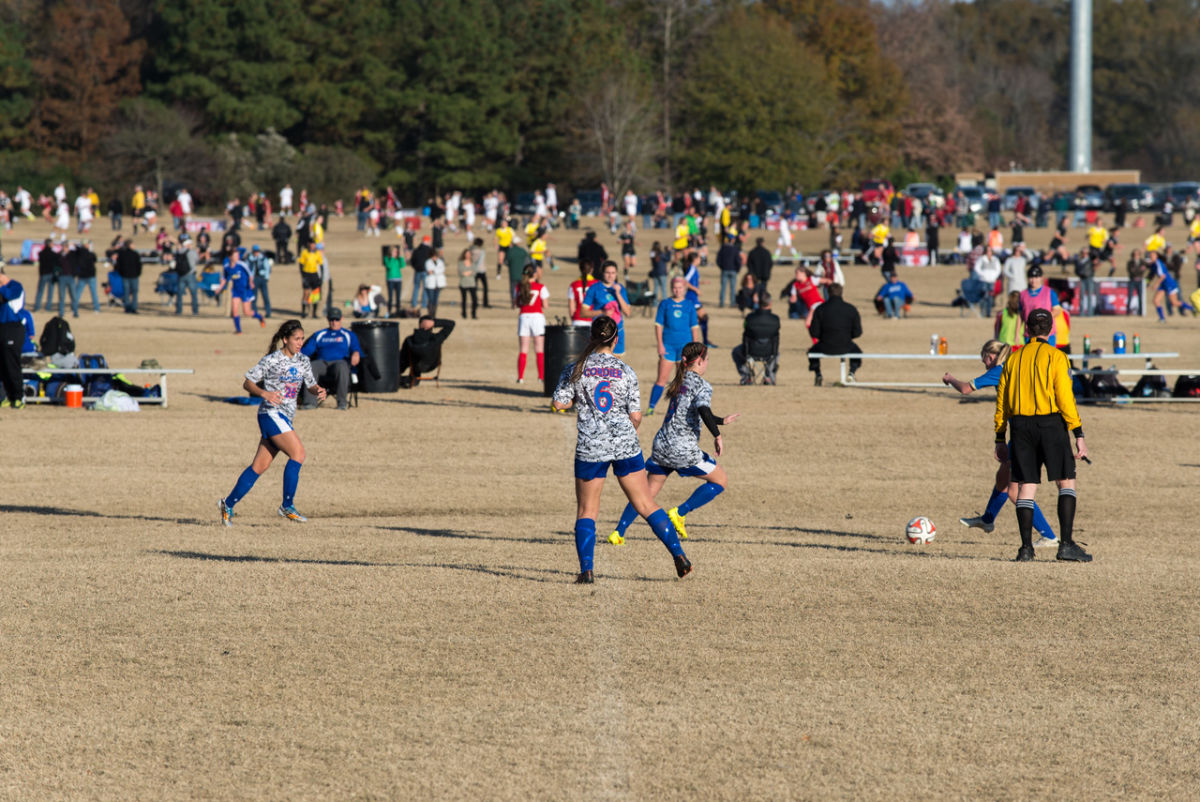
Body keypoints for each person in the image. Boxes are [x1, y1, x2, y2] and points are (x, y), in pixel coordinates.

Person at [551, 316, 692, 583]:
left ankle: (587, 571)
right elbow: (636, 415)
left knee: (587, 511)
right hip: (625, 443)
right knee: (646, 504)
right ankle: (679, 556)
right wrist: (628, 427)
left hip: (591, 446)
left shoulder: (575, 368)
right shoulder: (626, 371)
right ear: (616, 340)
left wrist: (573, 401)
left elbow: (559, 403)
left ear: (591, 337)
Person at [608, 342, 740, 545]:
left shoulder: (681, 379)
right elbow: (703, 410)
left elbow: (696, 411)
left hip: (662, 445)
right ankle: (680, 512)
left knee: (645, 494)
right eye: (707, 360)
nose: (707, 365)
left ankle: (619, 532)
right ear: (699, 361)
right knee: (720, 480)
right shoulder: (703, 385)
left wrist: (721, 420)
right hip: (682, 449)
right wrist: (717, 434)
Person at [993, 308, 1091, 562]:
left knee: (1027, 487)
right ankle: (1066, 545)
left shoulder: (1013, 360)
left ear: (1027, 330)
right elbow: (1065, 398)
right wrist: (1078, 432)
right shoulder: (1057, 357)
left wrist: (1000, 438)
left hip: (1021, 426)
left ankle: (1026, 549)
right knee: (1066, 482)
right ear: (1051, 330)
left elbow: (1002, 401)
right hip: (1051, 424)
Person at [943, 340, 1058, 548]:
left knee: (1015, 491)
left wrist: (950, 379)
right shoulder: (1018, 364)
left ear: (991, 356)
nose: (983, 363)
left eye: (983, 358)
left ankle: (1049, 536)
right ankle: (987, 520)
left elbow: (966, 389)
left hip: (1024, 432)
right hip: (1032, 426)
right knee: (1003, 477)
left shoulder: (999, 370)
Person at [219, 319, 325, 526]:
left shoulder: (303, 360)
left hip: (285, 417)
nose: (300, 342)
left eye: (302, 339)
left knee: (259, 466)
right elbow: (247, 382)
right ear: (285, 340)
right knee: (298, 454)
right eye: (296, 339)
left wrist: (319, 390)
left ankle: (228, 504)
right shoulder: (272, 360)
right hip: (270, 414)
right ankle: (287, 506)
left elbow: (311, 385)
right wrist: (264, 393)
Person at [648, 276, 702, 414]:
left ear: (684, 289)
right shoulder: (665, 304)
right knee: (662, 379)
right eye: (674, 287)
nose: (677, 290)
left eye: (680, 287)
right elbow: (658, 325)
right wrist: (660, 344)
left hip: (685, 348)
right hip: (668, 347)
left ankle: (679, 408)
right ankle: (651, 407)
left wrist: (695, 348)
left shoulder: (689, 305)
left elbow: (694, 327)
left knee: (683, 380)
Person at [300, 308, 361, 411]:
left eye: (336, 319)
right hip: (322, 363)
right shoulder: (320, 334)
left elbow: (356, 349)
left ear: (341, 319)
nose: (334, 322)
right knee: (311, 366)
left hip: (339, 362)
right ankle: (309, 403)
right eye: (331, 319)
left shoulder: (348, 335)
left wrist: (356, 354)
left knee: (342, 367)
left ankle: (342, 403)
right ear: (328, 319)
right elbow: (307, 351)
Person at [808, 283, 861, 386]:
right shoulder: (851, 309)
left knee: (812, 351)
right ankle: (851, 372)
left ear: (828, 293)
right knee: (857, 352)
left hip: (824, 346)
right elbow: (858, 332)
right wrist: (847, 337)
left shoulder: (820, 309)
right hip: (846, 345)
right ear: (841, 293)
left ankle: (818, 374)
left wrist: (824, 337)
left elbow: (814, 332)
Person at [581, 260, 633, 356]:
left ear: (616, 274)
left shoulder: (620, 289)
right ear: (602, 273)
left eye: (613, 273)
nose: (610, 276)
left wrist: (618, 294)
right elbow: (583, 312)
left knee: (617, 364)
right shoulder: (594, 288)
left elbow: (628, 312)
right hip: (600, 333)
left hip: (618, 332)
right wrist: (602, 312)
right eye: (607, 273)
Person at [732, 296, 781, 385]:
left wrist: (746, 352)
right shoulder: (775, 319)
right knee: (777, 354)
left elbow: (745, 334)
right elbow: (776, 338)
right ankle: (769, 376)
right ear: (770, 304)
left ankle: (746, 376)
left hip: (750, 351)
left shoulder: (750, 318)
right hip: (770, 352)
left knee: (735, 352)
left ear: (758, 304)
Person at [214, 249, 263, 334]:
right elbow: (224, 278)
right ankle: (239, 330)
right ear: (230, 257)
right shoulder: (227, 267)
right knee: (235, 311)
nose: (237, 257)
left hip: (245, 290)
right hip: (235, 291)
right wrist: (219, 288)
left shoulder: (242, 265)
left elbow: (250, 274)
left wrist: (251, 282)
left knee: (246, 312)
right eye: (235, 255)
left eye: (237, 255)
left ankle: (260, 317)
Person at [399, 315, 455, 386]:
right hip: (432, 365)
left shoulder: (409, 340)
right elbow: (451, 324)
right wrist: (435, 322)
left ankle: (399, 378)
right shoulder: (437, 338)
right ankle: (412, 380)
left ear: (419, 325)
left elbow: (402, 358)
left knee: (404, 355)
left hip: (415, 364)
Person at [515, 263, 548, 383]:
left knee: (523, 349)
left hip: (524, 317)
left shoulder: (519, 286)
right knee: (539, 349)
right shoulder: (540, 287)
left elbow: (516, 304)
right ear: (534, 273)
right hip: (537, 318)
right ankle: (541, 377)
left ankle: (520, 377)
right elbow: (545, 305)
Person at [0, 269, 27, 409]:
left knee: (12, 363)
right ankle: (9, 396)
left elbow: (9, 295)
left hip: (13, 328)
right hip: (1, 327)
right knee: (3, 365)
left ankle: (18, 396)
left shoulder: (15, 286)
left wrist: (2, 286)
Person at [1018, 265, 1062, 345]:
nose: (1033, 280)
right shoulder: (1023, 294)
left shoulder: (1049, 292)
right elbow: (1020, 315)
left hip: (1047, 334)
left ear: (1041, 277)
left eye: (1036, 277)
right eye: (1031, 277)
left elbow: (1057, 311)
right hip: (1029, 334)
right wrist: (1016, 333)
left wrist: (1042, 319)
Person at [113, 238, 142, 314]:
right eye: (132, 244)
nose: (134, 246)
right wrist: (137, 273)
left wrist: (122, 273)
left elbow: (139, 265)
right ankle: (133, 308)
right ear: (129, 245)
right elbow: (139, 265)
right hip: (131, 276)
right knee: (133, 292)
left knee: (128, 292)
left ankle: (128, 308)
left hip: (128, 276)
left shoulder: (129, 254)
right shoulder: (133, 254)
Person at [297, 240, 324, 319]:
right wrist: (303, 276)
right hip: (307, 274)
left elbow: (321, 265)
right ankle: (304, 312)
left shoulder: (317, 253)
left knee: (315, 294)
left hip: (314, 275)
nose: (313, 246)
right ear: (309, 244)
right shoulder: (304, 252)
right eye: (312, 244)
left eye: (314, 244)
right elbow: (301, 264)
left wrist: (320, 278)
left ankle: (314, 313)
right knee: (306, 293)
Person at [568, 261, 597, 330]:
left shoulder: (573, 285)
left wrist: (574, 319)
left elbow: (572, 308)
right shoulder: (597, 284)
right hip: (594, 319)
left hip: (578, 319)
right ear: (592, 269)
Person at [247, 244, 272, 318]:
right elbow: (247, 269)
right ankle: (254, 312)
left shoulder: (263, 258)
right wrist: (249, 279)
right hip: (253, 279)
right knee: (254, 297)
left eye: (257, 251)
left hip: (262, 278)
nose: (256, 253)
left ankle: (268, 312)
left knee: (265, 296)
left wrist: (266, 278)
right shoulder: (249, 259)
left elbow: (267, 268)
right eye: (254, 251)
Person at [423, 247, 447, 315]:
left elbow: (442, 270)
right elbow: (429, 271)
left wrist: (434, 271)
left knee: (435, 300)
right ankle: (430, 313)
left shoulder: (440, 262)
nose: (434, 257)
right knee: (431, 299)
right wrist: (437, 271)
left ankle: (434, 314)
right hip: (430, 284)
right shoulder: (428, 262)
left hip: (438, 284)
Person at [457, 248, 478, 320]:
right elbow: (460, 273)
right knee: (464, 300)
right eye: (466, 254)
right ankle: (464, 314)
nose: (468, 255)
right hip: (463, 284)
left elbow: (474, 272)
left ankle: (474, 314)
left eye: (469, 254)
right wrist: (469, 272)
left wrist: (467, 273)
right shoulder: (460, 263)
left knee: (475, 300)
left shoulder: (473, 263)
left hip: (472, 284)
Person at [384, 245, 404, 316]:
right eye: (394, 251)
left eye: (396, 251)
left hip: (398, 279)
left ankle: (398, 311)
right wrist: (392, 257)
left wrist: (401, 257)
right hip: (390, 279)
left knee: (398, 297)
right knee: (390, 297)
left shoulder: (398, 259)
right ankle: (389, 311)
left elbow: (403, 265)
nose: (396, 253)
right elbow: (389, 266)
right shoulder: (387, 258)